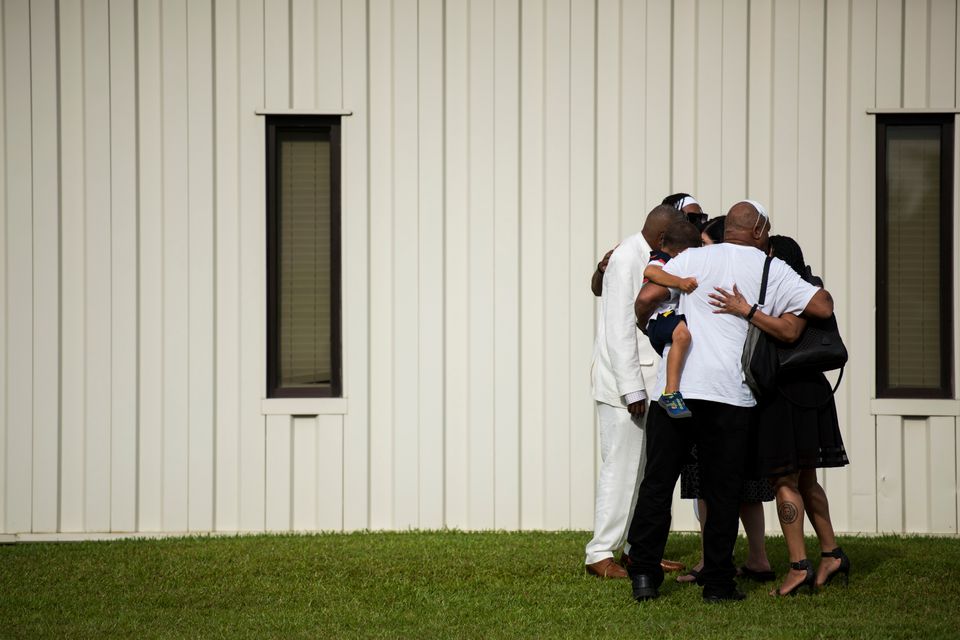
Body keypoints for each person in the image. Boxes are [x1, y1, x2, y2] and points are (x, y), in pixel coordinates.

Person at [626, 200, 835, 603]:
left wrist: (652, 327)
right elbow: (822, 305)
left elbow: (646, 297)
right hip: (730, 396)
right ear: (759, 232)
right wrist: (765, 309)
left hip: (676, 391)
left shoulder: (696, 258)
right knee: (724, 490)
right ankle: (719, 583)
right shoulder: (771, 269)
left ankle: (645, 576)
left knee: (657, 482)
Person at [709, 234, 851, 596]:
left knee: (783, 481)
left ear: (776, 258)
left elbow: (789, 331)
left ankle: (798, 566)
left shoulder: (794, 290)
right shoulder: (804, 285)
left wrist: (749, 311)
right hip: (809, 391)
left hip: (787, 394)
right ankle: (832, 554)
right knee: (806, 480)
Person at [585, 205, 685, 579]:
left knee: (645, 472)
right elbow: (619, 329)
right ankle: (599, 552)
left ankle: (635, 550)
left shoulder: (647, 257)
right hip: (625, 386)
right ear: (662, 238)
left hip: (646, 384)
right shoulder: (627, 258)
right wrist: (631, 390)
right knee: (621, 468)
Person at [590, 193, 706, 297]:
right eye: (692, 218)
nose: (699, 224)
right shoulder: (631, 253)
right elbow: (599, 290)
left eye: (702, 218)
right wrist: (602, 270)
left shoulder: (700, 252)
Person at [641, 220, 701, 418]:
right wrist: (680, 282)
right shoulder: (660, 259)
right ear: (682, 253)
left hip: (667, 318)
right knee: (683, 336)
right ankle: (670, 393)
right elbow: (650, 272)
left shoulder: (671, 259)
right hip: (660, 318)